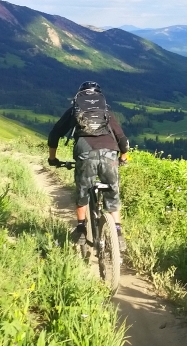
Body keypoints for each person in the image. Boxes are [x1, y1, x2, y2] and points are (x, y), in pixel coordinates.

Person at [47, 81, 129, 251]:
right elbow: (122, 139)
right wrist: (123, 157)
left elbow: (55, 134)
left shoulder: (74, 111)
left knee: (83, 190)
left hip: (85, 152)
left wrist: (53, 159)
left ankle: (82, 229)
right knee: (112, 192)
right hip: (110, 152)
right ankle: (118, 232)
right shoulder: (106, 112)